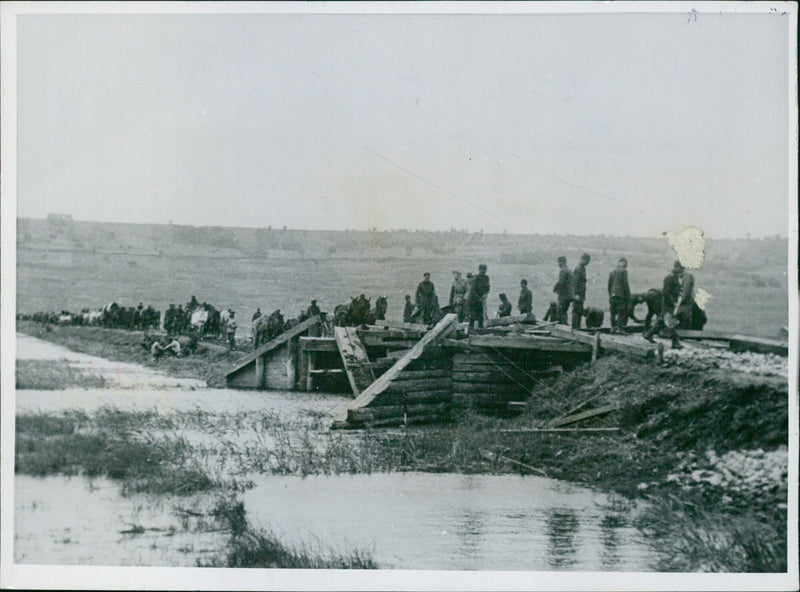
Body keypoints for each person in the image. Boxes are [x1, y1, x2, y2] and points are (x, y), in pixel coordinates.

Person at [644, 261, 683, 349]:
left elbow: (675, 290)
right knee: (671, 321)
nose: (682, 270)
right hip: (668, 304)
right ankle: (675, 342)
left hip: (670, 304)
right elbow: (666, 292)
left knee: (662, 321)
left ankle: (649, 334)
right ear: (676, 267)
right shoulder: (669, 277)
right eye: (681, 268)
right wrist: (673, 301)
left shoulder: (675, 277)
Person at [607, 257, 631, 334]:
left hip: (612, 295)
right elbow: (625, 284)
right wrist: (628, 296)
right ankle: (620, 329)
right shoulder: (624, 271)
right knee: (621, 311)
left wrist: (610, 295)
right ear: (624, 264)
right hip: (620, 295)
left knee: (613, 312)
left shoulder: (612, 272)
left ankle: (612, 328)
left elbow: (609, 285)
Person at [553, 256, 574, 325]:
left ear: (561, 262)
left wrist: (555, 288)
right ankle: (565, 325)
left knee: (561, 311)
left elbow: (561, 282)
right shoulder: (569, 270)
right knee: (564, 311)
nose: (558, 264)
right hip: (569, 295)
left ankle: (563, 327)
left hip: (564, 295)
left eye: (559, 262)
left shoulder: (563, 270)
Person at [572, 253, 590, 330]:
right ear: (583, 259)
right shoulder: (578, 269)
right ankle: (575, 328)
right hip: (578, 294)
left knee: (579, 310)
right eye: (587, 261)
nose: (587, 263)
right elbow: (575, 283)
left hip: (581, 294)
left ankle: (577, 328)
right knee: (576, 311)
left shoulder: (582, 268)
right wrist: (575, 294)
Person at [472, 264, 491, 328]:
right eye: (481, 270)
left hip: (483, 298)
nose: (483, 272)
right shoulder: (476, 278)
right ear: (479, 270)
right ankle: (471, 328)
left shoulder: (486, 278)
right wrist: (478, 297)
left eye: (484, 270)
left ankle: (481, 327)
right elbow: (473, 289)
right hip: (475, 299)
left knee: (481, 314)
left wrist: (485, 294)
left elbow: (488, 288)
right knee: (474, 314)